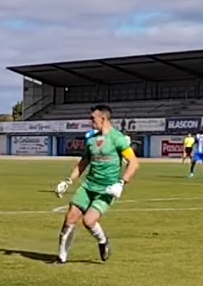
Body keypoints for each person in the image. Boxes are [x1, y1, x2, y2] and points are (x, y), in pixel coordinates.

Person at [53, 104, 140, 264]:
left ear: (103, 118)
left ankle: (102, 241)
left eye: (93, 118)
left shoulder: (118, 139)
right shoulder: (91, 139)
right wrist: (67, 181)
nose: (90, 121)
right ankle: (61, 257)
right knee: (70, 218)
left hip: (107, 189)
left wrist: (121, 183)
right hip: (88, 186)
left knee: (88, 221)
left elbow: (134, 163)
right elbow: (83, 164)